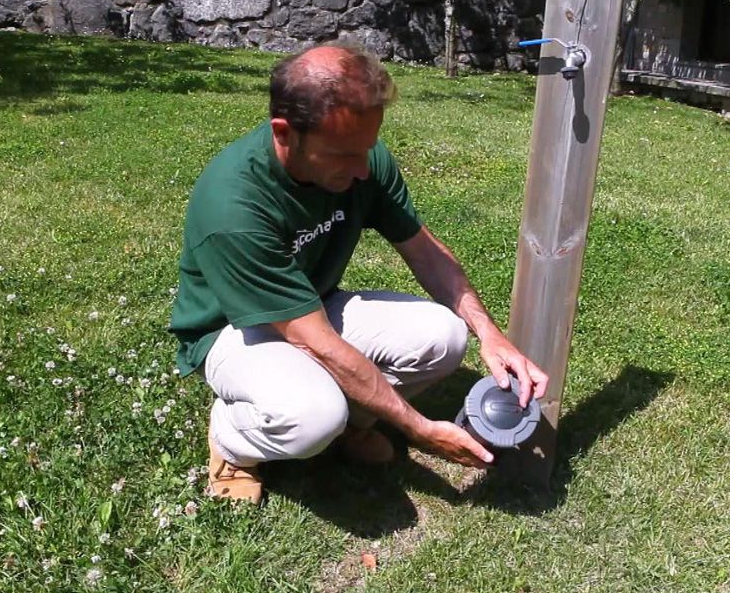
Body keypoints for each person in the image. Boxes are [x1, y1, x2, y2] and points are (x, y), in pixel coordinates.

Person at [169, 42, 549, 504]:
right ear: (284, 133)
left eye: (367, 148)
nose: (364, 169)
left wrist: (490, 334)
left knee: (445, 335)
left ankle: (352, 422)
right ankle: (232, 441)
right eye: (345, 154)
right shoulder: (235, 206)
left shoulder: (360, 158)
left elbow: (425, 253)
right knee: (313, 416)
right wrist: (420, 428)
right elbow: (316, 341)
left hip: (310, 304)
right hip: (231, 331)